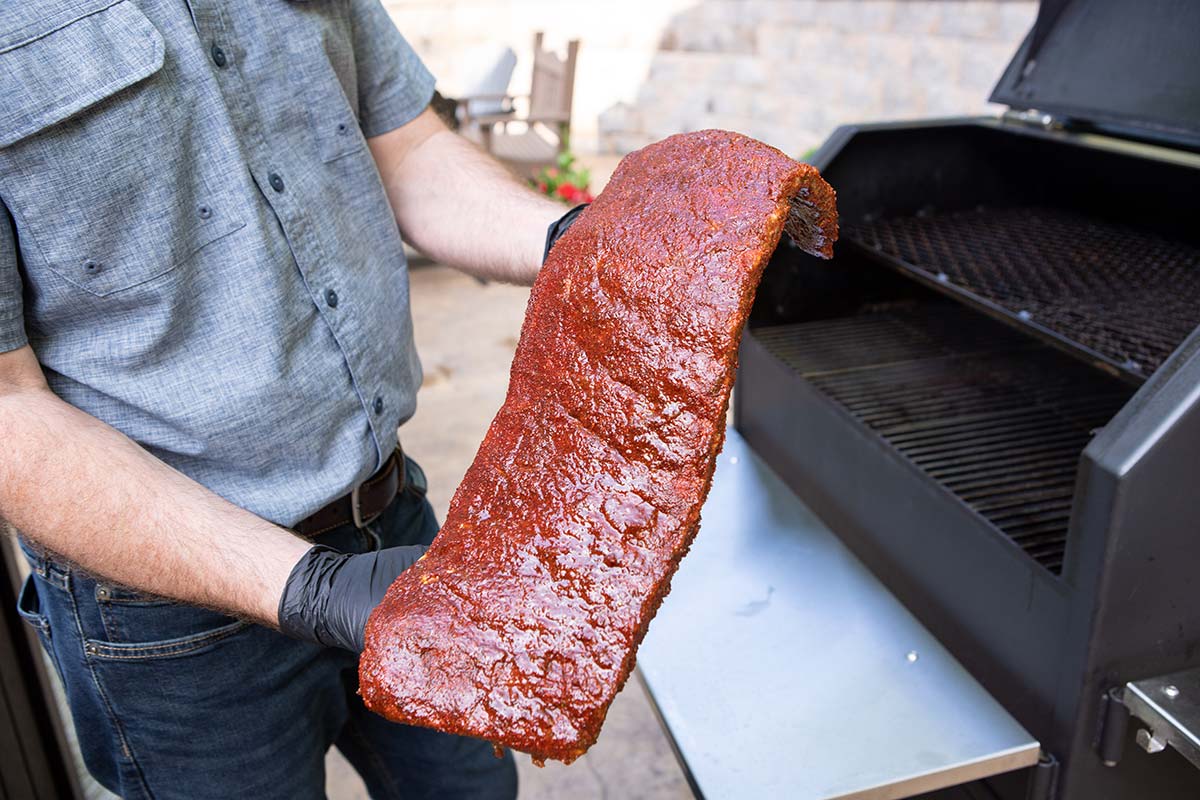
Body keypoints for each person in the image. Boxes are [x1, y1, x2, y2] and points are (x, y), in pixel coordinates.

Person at [0, 2, 583, 798]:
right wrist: (312, 589)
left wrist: (578, 246)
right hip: (175, 619)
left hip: (390, 520)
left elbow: (407, 151)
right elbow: (8, 409)